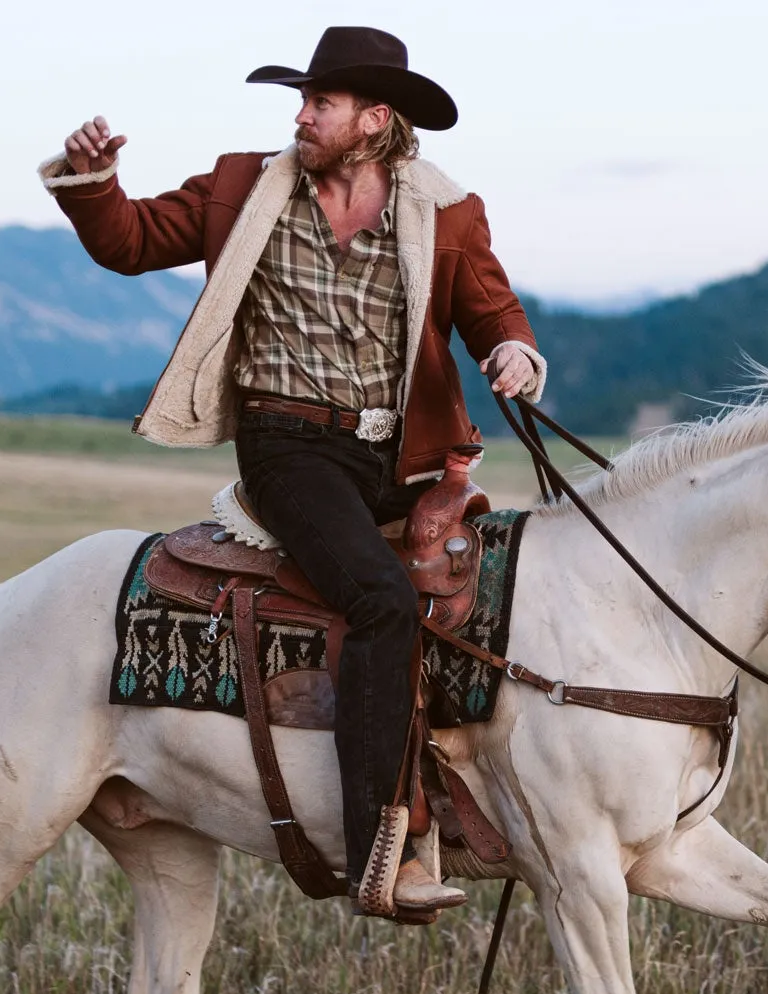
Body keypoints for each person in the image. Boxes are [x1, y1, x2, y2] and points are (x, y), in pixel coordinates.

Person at [40, 26, 544, 916]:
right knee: (381, 602)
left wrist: (514, 356)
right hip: (290, 450)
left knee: (494, 590)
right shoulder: (245, 186)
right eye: (302, 101)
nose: (303, 116)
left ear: (375, 120)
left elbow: (494, 313)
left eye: (321, 102)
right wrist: (95, 182)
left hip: (405, 457)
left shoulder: (447, 211)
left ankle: (491, 799)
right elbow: (130, 239)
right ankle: (376, 852)